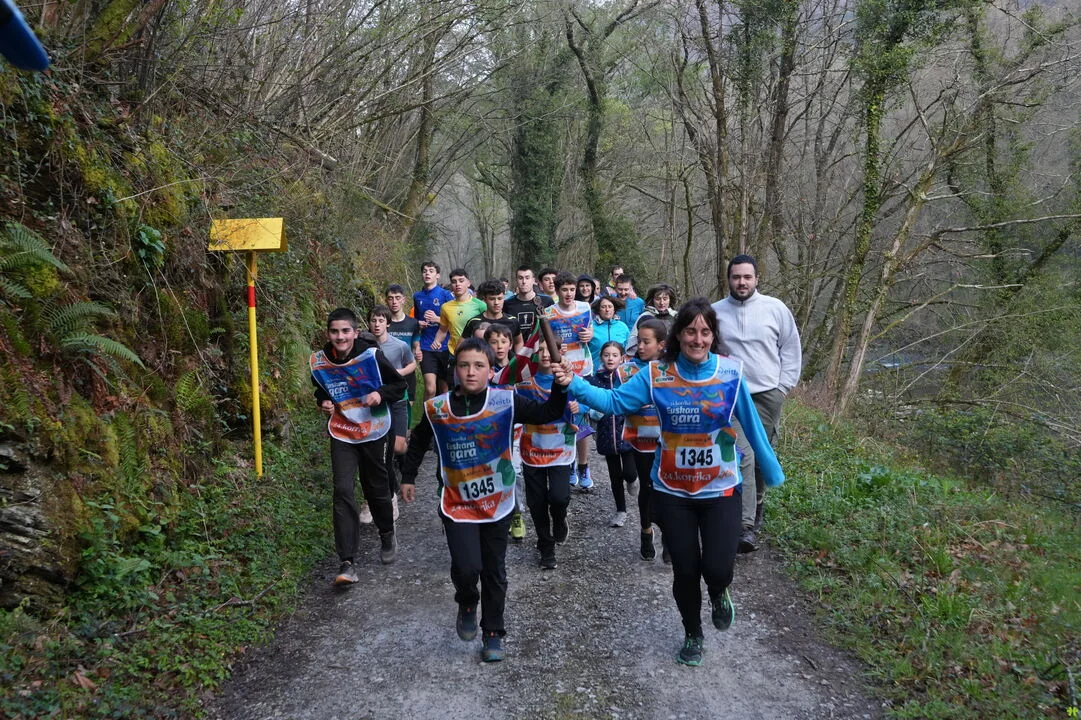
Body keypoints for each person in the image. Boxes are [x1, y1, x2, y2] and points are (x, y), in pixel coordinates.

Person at [568, 298, 784, 667]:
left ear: (713, 336)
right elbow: (614, 401)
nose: (698, 339)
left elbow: (752, 426)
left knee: (717, 568)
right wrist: (572, 383)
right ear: (678, 335)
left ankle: (719, 591)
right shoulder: (657, 374)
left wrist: (771, 469)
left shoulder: (730, 373)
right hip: (672, 490)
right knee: (685, 571)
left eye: (705, 332)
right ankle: (693, 633)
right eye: (690, 331)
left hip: (720, 488)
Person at [399, 338, 572, 663]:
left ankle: (493, 632)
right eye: (464, 365)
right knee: (467, 568)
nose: (471, 372)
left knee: (494, 569)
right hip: (457, 503)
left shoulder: (506, 401)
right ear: (455, 369)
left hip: (497, 502)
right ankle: (467, 600)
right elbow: (420, 438)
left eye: (479, 365)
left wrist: (561, 387)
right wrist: (408, 476)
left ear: (491, 370)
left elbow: (548, 412)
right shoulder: (438, 409)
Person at [310, 308, 409, 585]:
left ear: (355, 332)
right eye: (334, 332)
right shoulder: (320, 361)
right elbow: (321, 389)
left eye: (345, 331)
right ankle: (347, 561)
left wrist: (379, 393)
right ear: (328, 334)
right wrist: (324, 402)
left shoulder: (371, 355)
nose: (340, 337)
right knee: (342, 490)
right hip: (343, 432)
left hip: (374, 429)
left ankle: (386, 533)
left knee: (375, 487)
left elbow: (399, 385)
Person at [711, 255, 801, 552]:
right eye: (736, 277)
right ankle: (745, 526)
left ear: (757, 279)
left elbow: (791, 349)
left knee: (763, 455)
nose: (742, 282)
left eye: (747, 277)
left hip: (767, 395)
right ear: (728, 279)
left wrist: (783, 388)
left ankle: (758, 504)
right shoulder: (715, 312)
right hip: (731, 395)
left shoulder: (775, 309)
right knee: (744, 455)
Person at [516, 344, 579, 570]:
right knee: (537, 501)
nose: (544, 354)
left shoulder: (569, 379)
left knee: (559, 497)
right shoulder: (523, 383)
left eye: (549, 349)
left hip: (561, 450)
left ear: (560, 353)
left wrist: (579, 408)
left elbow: (587, 404)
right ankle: (546, 546)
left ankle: (560, 520)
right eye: (540, 349)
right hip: (532, 450)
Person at [544, 271, 595, 489]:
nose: (569, 293)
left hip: (583, 368)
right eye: (564, 289)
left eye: (572, 289)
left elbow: (590, 330)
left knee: (582, 417)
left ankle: (584, 465)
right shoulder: (549, 313)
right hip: (561, 370)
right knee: (565, 416)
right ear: (557, 291)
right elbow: (543, 341)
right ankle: (569, 462)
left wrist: (589, 335)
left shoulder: (585, 307)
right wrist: (556, 348)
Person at [368, 304, 416, 520]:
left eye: (381, 321)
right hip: (377, 402)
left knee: (397, 446)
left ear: (388, 323)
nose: (377, 324)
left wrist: (398, 373)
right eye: (373, 320)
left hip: (397, 399)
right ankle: (389, 493)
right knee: (380, 452)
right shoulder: (364, 346)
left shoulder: (399, 346)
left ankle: (406, 460)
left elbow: (412, 364)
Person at [585, 342, 638, 528]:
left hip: (627, 434)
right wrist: (594, 412)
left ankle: (632, 479)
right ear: (601, 357)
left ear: (622, 358)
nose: (610, 358)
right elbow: (588, 403)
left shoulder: (628, 378)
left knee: (629, 472)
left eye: (615, 355)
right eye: (607, 355)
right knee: (614, 476)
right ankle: (620, 511)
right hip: (607, 434)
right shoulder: (595, 380)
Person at [433, 268, 488, 374]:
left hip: (477, 352)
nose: (458, 284)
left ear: (468, 283)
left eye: (461, 281)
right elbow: (443, 329)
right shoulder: (445, 307)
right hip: (454, 352)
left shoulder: (480, 305)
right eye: (454, 282)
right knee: (455, 383)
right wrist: (437, 341)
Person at [414, 261, 454, 400]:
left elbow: (453, 321)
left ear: (437, 275)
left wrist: (437, 319)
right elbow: (416, 320)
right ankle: (426, 413)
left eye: (431, 271)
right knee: (430, 388)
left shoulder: (446, 295)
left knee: (444, 389)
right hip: (426, 346)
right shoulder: (417, 296)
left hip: (444, 346)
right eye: (425, 271)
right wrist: (419, 324)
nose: (427, 274)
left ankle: (443, 413)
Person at [463, 278, 524, 350]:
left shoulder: (512, 321)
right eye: (492, 299)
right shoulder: (474, 322)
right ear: (485, 299)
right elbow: (462, 346)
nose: (496, 303)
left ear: (504, 298)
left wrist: (517, 356)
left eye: (500, 298)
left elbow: (519, 342)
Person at [627, 284, 678, 357]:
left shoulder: (675, 316)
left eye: (665, 299)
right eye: (658, 299)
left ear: (670, 300)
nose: (662, 303)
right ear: (652, 300)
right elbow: (633, 339)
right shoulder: (645, 317)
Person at [504, 266, 554, 338]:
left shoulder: (547, 301)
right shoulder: (507, 304)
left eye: (527, 278)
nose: (524, 282)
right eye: (520, 278)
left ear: (533, 280)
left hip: (540, 343)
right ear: (516, 280)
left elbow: (553, 327)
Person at [587, 296, 630, 370]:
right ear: (598, 310)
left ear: (614, 309)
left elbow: (628, 350)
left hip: (618, 372)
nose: (607, 310)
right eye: (603, 307)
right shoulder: (590, 326)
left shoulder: (623, 327)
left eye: (610, 307)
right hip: (595, 371)